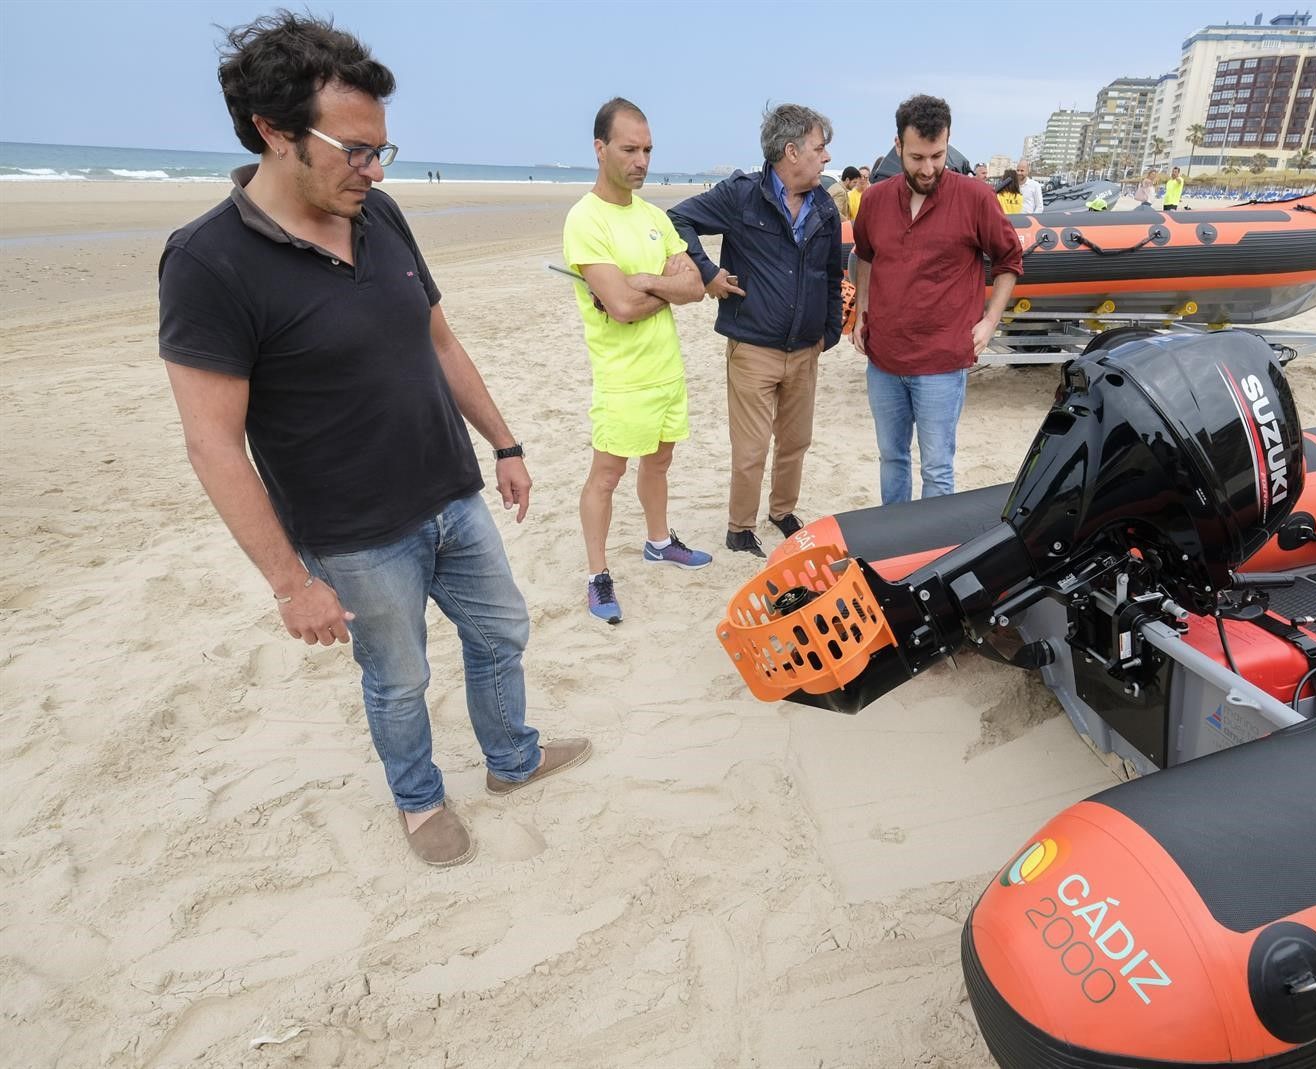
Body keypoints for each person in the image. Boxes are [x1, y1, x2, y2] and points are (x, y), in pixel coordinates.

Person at [157, 12, 590, 869]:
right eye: (354, 150)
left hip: (451, 492)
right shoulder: (208, 262)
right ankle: (419, 800)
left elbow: (439, 340)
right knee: (399, 678)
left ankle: (511, 758)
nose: (376, 169)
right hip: (354, 533)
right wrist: (290, 583)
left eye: (382, 148)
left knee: (501, 631)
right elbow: (213, 445)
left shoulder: (379, 214)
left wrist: (504, 444)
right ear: (274, 131)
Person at [667, 105, 843, 558]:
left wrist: (830, 331)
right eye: (820, 147)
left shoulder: (825, 205)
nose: (826, 157)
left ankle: (782, 512)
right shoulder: (741, 195)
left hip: (805, 349)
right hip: (753, 348)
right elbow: (676, 220)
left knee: (795, 442)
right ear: (791, 151)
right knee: (750, 450)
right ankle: (740, 528)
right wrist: (708, 272)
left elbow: (831, 274)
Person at [562, 98, 711, 622]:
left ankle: (658, 541)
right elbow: (621, 309)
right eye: (629, 149)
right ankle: (597, 575)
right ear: (600, 149)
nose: (641, 161)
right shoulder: (585, 220)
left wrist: (646, 281)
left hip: (667, 370)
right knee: (606, 475)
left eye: (647, 149)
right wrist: (664, 289)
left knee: (660, 462)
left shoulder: (654, 217)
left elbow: (696, 286)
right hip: (622, 378)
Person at [850, 94, 1023, 504]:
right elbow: (866, 257)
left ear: (947, 142)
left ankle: (933, 545)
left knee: (937, 468)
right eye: (916, 158)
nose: (928, 169)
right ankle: (896, 536)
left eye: (937, 156)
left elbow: (1009, 260)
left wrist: (990, 321)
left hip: (942, 361)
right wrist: (862, 314)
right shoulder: (874, 200)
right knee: (892, 458)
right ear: (898, 146)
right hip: (884, 357)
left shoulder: (976, 197)